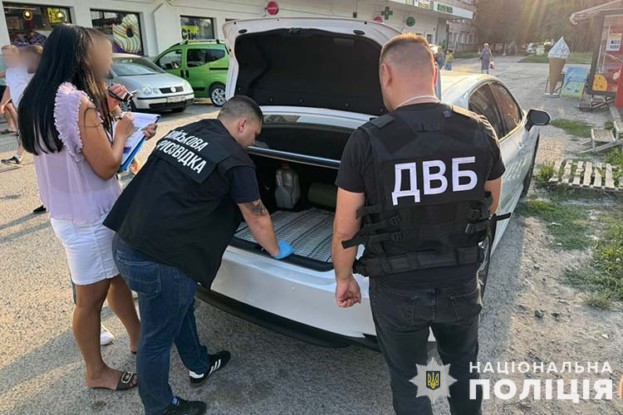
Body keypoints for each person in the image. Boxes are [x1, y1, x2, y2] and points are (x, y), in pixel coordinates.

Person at [332, 34, 504, 415]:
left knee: (414, 379)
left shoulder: (366, 141)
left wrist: (344, 279)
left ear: (385, 74)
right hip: (459, 281)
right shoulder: (479, 130)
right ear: (434, 72)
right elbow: (491, 204)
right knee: (462, 367)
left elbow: (345, 229)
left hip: (398, 290)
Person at [104, 96, 295, 415]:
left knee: (179, 306)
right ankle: (160, 407)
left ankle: (199, 365)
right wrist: (275, 250)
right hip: (159, 260)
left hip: (126, 240)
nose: (253, 142)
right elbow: (257, 215)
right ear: (243, 124)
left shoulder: (187, 131)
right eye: (254, 134)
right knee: (156, 338)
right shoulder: (236, 159)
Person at [19, 24, 157, 392]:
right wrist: (124, 133)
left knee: (115, 279)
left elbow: (77, 153)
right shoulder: (75, 101)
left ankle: (138, 337)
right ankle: (96, 371)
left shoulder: (38, 94)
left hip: (68, 211)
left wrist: (121, 131)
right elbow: (107, 166)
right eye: (102, 52)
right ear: (82, 57)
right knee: (89, 300)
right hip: (90, 215)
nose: (108, 59)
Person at [0, 45, 19, 137]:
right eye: (4, 55)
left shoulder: (26, 67)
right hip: (19, 104)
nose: (6, 57)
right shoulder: (10, 71)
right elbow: (9, 88)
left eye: (8, 54)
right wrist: (2, 104)